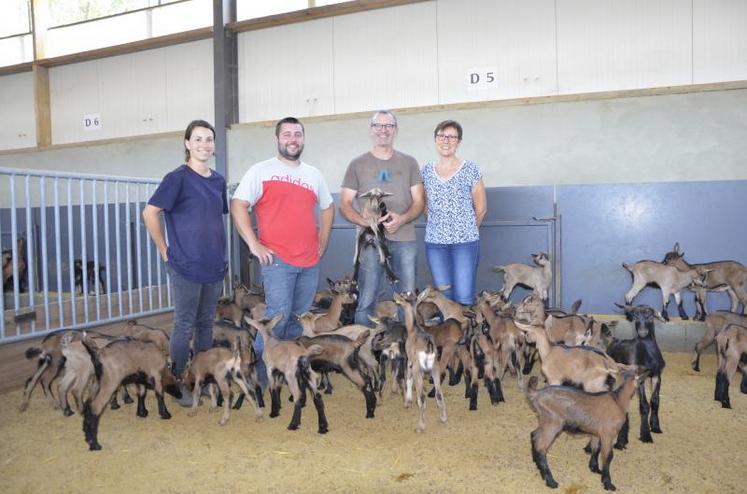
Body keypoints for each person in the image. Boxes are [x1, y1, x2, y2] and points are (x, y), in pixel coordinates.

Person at [231, 117, 334, 385]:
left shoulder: (313, 174)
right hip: (277, 260)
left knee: (298, 319)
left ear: (303, 139)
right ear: (277, 139)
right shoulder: (261, 171)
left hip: (309, 261)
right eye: (287, 134)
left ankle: (287, 370)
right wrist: (253, 243)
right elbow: (238, 204)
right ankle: (262, 379)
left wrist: (323, 240)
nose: (293, 139)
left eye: (298, 134)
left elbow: (328, 207)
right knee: (276, 318)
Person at [142, 119, 228, 407]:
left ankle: (199, 378)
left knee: (205, 325)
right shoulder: (176, 178)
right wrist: (165, 251)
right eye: (199, 139)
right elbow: (149, 213)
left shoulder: (218, 181)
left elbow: (216, 219)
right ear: (187, 144)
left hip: (214, 266)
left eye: (209, 139)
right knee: (184, 325)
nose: (205, 144)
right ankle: (178, 381)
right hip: (186, 266)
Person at [340, 110, 424, 326]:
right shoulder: (356, 164)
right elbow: (345, 204)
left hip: (404, 239)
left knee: (406, 299)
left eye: (388, 126)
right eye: (378, 125)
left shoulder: (410, 163)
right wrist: (363, 221)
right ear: (371, 130)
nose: (383, 130)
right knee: (366, 299)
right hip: (369, 243)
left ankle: (406, 352)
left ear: (396, 130)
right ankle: (363, 352)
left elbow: (419, 202)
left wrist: (402, 219)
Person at [421, 120, 487, 305]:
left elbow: (481, 209)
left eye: (452, 137)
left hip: (465, 243)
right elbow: (424, 206)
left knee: (464, 297)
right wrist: (438, 226)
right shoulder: (425, 172)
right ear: (435, 140)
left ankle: (466, 334)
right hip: (435, 244)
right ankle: (448, 334)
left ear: (459, 141)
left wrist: (465, 230)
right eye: (441, 136)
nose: (446, 141)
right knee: (444, 298)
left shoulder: (471, 169)